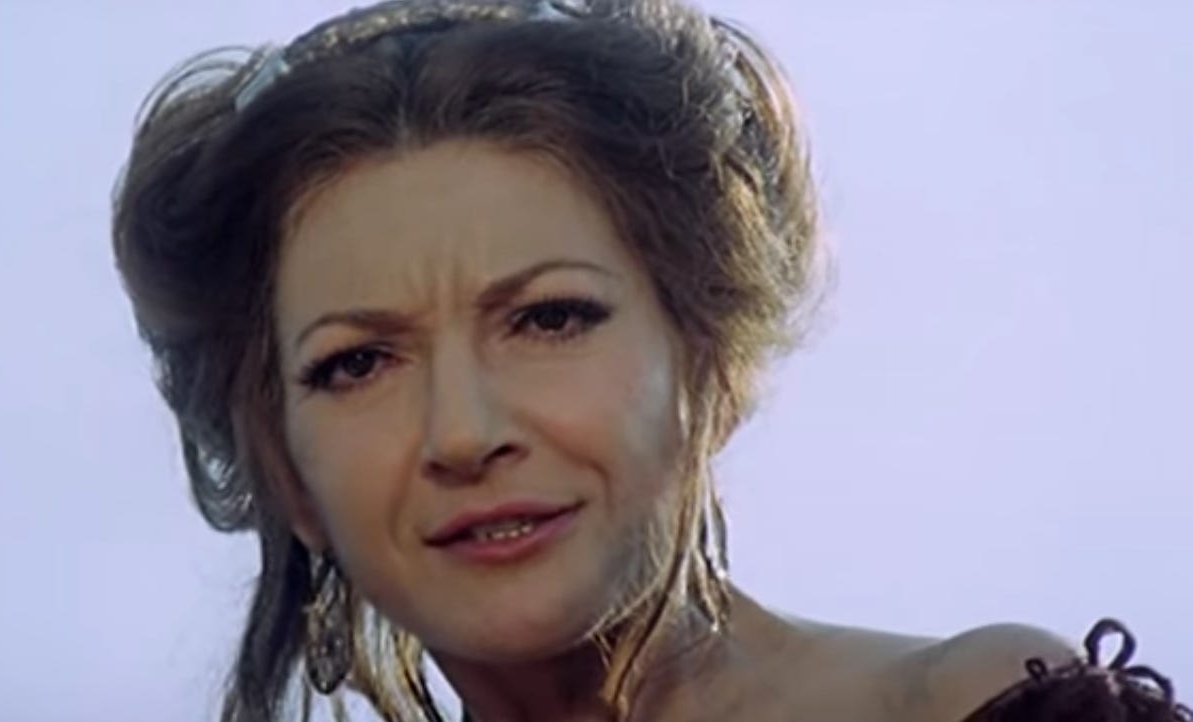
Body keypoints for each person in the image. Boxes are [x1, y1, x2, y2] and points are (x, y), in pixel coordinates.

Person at [109, 1, 1188, 720]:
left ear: (707, 360)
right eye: (356, 364)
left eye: (550, 318)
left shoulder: (965, 705)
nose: (462, 432)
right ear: (284, 470)